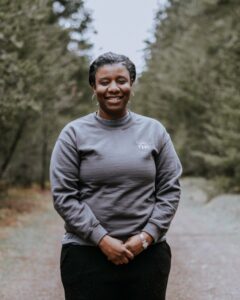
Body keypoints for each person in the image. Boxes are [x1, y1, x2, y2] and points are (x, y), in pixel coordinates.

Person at [50, 52, 182, 300]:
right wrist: (102, 240)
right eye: (104, 82)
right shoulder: (73, 134)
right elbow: (64, 196)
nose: (113, 88)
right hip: (85, 256)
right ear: (93, 86)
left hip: (148, 256)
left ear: (131, 82)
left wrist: (146, 237)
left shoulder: (154, 131)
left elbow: (170, 190)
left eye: (121, 80)